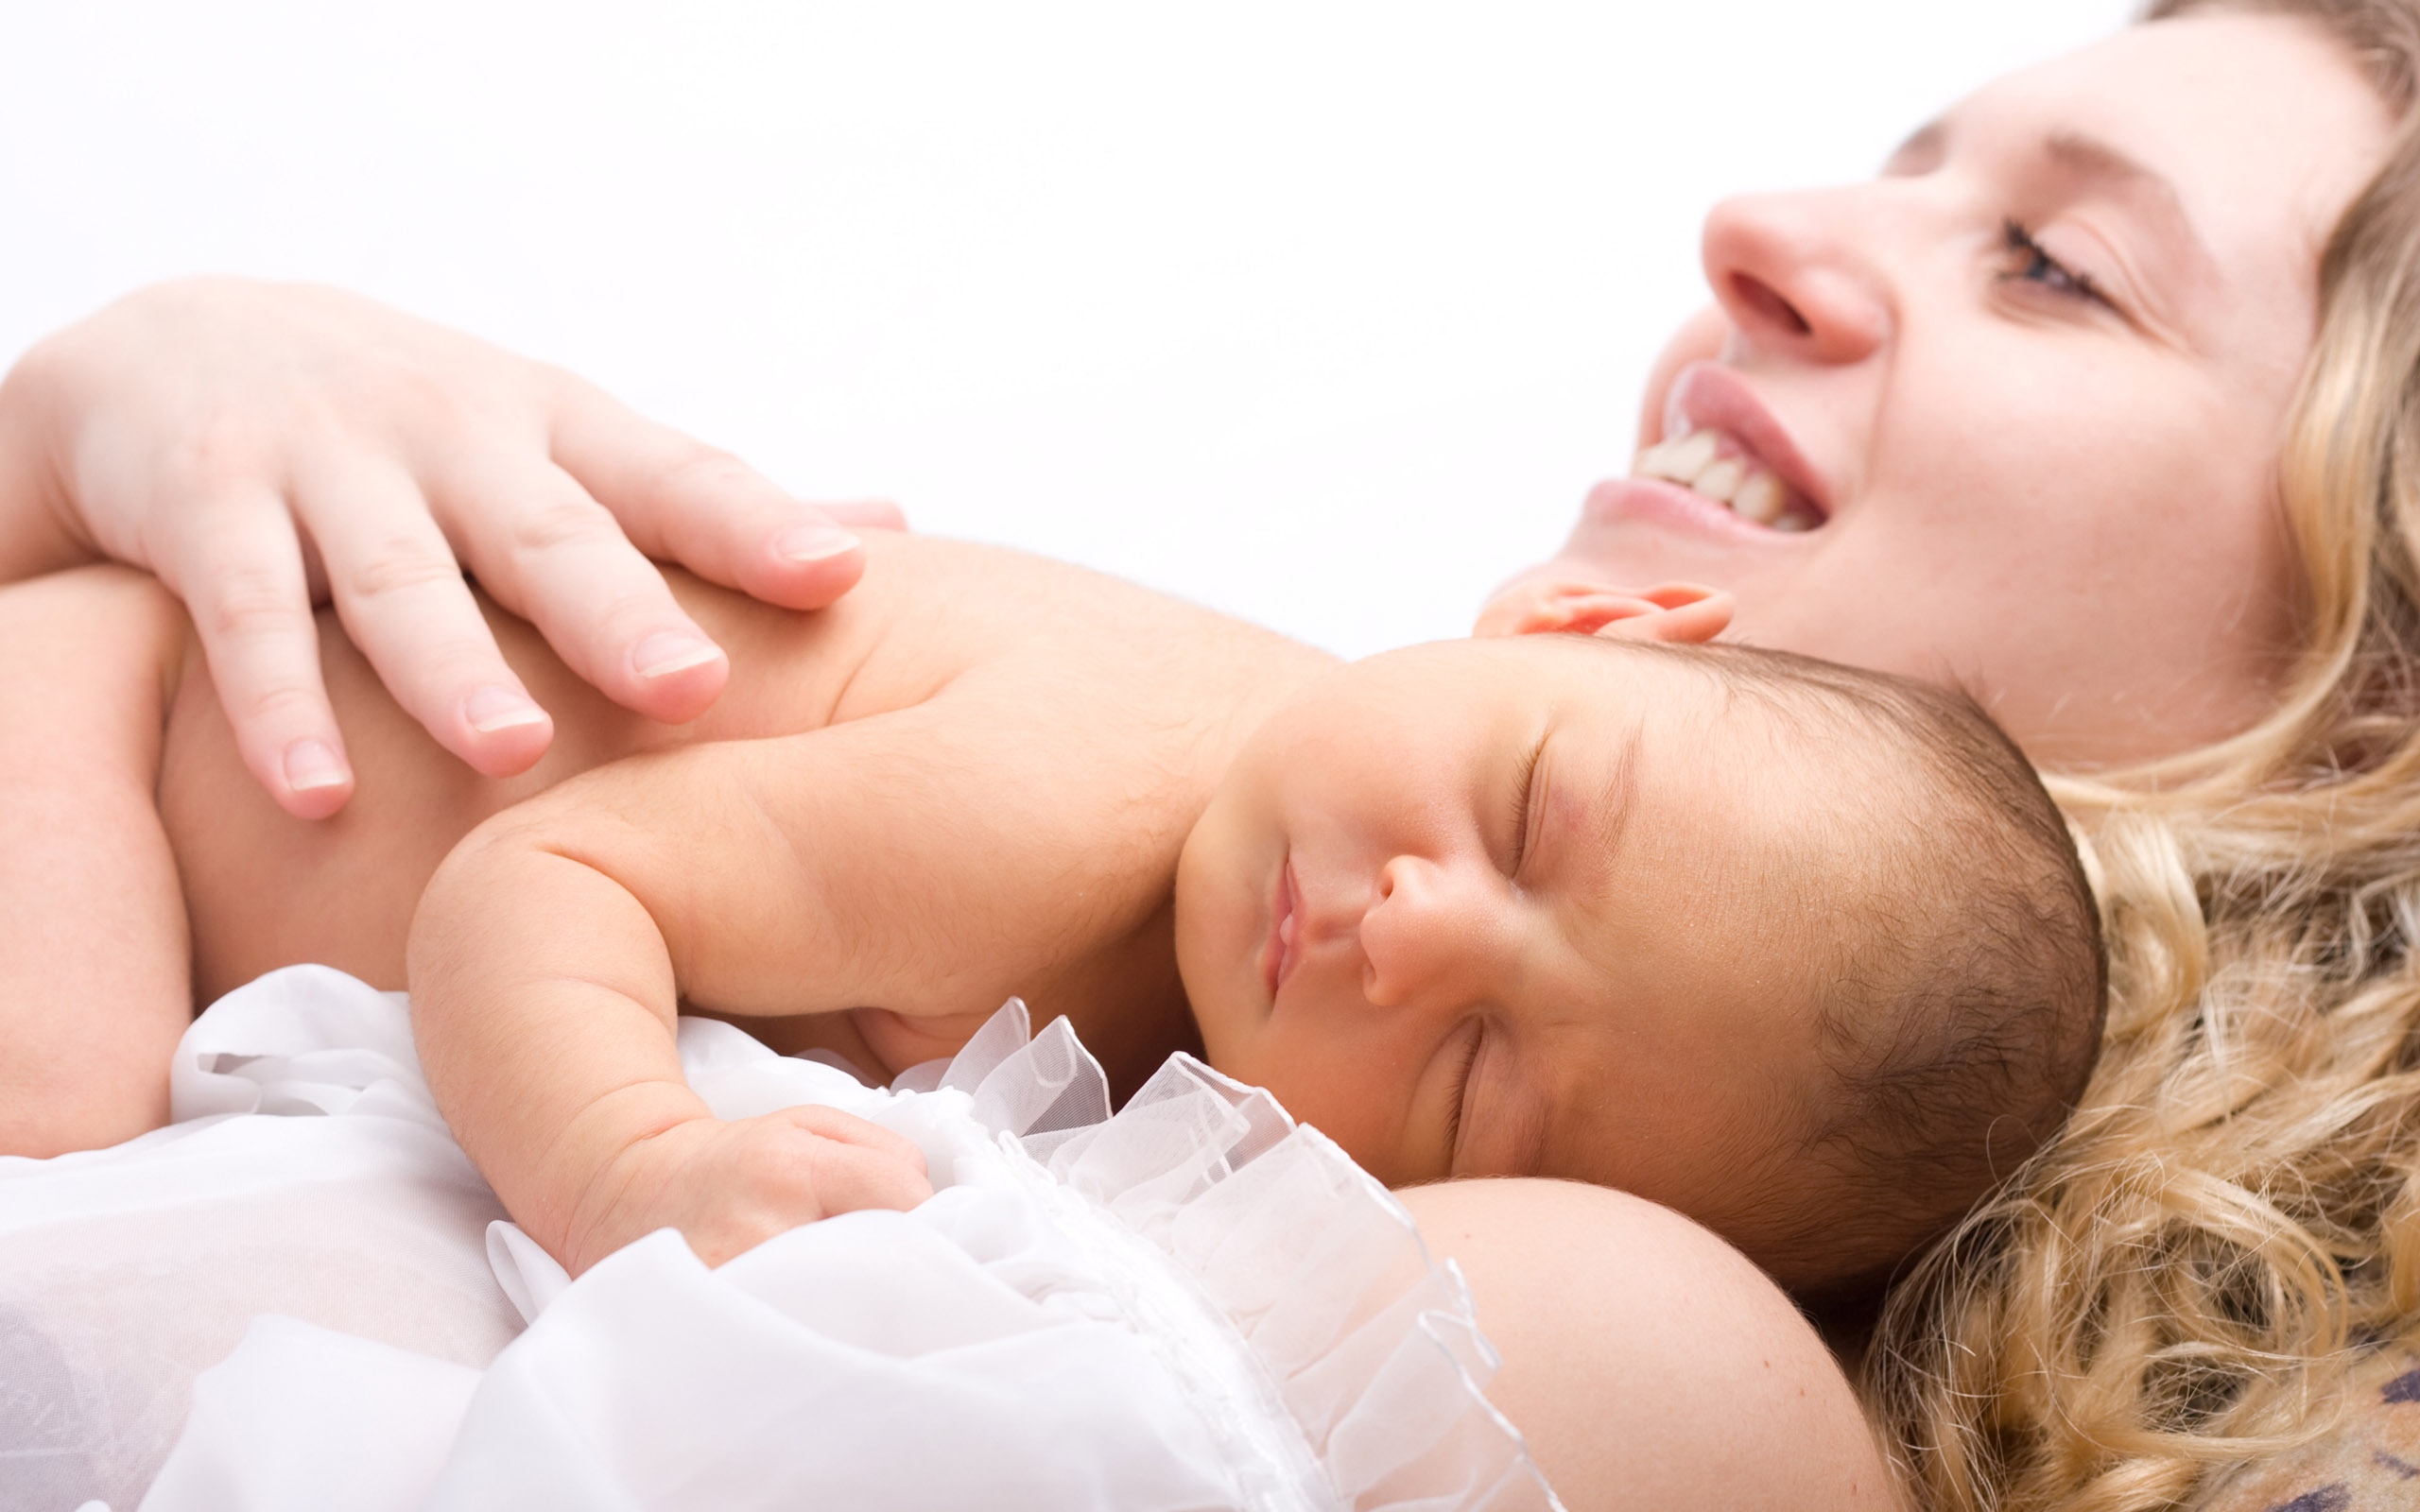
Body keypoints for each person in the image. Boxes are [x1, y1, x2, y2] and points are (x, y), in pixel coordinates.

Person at [6, 1, 2419, 1504]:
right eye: (1910, 161)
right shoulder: (1169, 807)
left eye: (2052, 267)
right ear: (1618, 636)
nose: (1756, 227)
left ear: (2366, 706)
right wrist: (120, 410)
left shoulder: (1589, 1331)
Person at [3, 542, 2101, 1312]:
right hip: (112, 712)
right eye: (1526, 816)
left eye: (1475, 1076)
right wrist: (630, 1164)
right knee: (60, 1150)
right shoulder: (1074, 802)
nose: (1407, 931)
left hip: (211, 834)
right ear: (1583, 619)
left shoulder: (1217, 971)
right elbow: (536, 880)